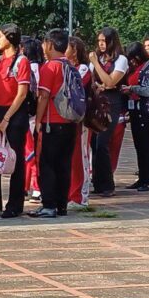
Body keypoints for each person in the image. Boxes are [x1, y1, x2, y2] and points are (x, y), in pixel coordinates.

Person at [0, 24, 30, 219]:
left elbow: (22, 93)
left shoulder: (21, 61)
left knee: (14, 158)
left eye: (0, 36)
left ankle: (15, 204)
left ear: (10, 38)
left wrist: (7, 118)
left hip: (15, 113)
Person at [29, 29, 77, 219]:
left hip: (52, 122)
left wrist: (38, 121)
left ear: (50, 44)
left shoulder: (50, 67)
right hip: (70, 122)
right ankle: (61, 205)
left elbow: (44, 96)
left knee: (47, 165)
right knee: (64, 165)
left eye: (44, 44)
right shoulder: (71, 67)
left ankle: (49, 205)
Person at [88, 27, 128, 198]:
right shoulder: (98, 58)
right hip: (97, 101)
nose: (101, 45)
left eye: (104, 41)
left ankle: (107, 184)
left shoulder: (121, 60)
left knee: (103, 142)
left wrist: (97, 64)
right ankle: (97, 181)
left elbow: (111, 82)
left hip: (112, 102)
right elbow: (92, 80)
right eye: (99, 41)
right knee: (94, 143)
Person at [121, 41, 149, 191]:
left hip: (147, 111)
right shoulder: (137, 68)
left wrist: (133, 88)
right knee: (139, 146)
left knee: (148, 146)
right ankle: (142, 177)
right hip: (135, 110)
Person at [66, 36, 92, 210]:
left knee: (80, 156)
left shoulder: (82, 68)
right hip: (67, 118)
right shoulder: (65, 66)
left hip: (81, 119)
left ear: (75, 51)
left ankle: (80, 196)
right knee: (69, 157)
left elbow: (72, 88)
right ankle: (70, 193)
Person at [21, 36, 43, 203]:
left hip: (31, 116)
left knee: (30, 153)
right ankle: (28, 185)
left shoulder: (32, 67)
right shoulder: (37, 66)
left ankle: (35, 187)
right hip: (32, 115)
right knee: (28, 152)